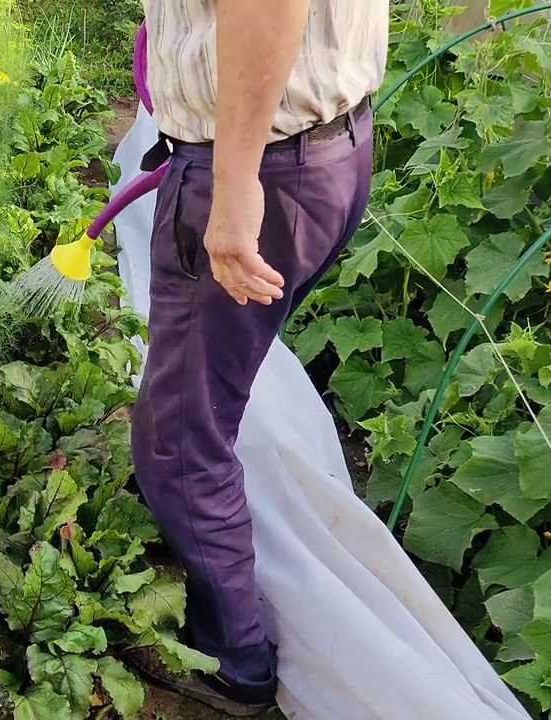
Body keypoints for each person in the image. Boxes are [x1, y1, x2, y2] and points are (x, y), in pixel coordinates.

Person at [127, 0, 388, 715]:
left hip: (257, 168)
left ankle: (232, 660)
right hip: (328, 146)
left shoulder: (245, 172)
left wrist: (235, 183)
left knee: (178, 440)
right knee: (211, 390)